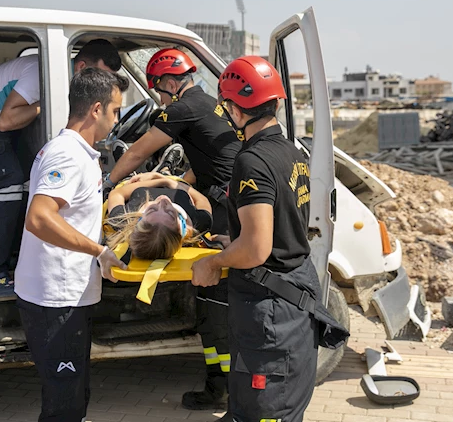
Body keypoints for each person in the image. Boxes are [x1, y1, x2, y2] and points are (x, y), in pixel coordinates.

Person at [191, 56, 341, 422]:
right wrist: (233, 241)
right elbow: (282, 226)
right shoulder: (292, 152)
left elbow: (257, 248)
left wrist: (214, 261)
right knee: (268, 405)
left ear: (232, 108)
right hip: (292, 293)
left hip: (271, 307)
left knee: (266, 409)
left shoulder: (252, 160)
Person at [104, 48, 241, 410]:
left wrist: (108, 183)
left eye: (158, 90)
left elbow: (135, 153)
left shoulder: (181, 108)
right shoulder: (207, 104)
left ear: (168, 82)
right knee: (214, 303)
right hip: (223, 200)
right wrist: (175, 183)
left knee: (216, 306)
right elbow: (208, 162)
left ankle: (222, 389)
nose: (159, 97)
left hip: (226, 208)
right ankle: (222, 383)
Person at [0, 39, 122, 296]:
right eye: (101, 76)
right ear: (81, 67)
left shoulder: (71, 82)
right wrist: (46, 104)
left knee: (32, 180)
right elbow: (6, 122)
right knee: (8, 181)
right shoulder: (43, 76)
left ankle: (19, 258)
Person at [13, 67, 129, 422]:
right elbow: (40, 218)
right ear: (96, 109)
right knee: (64, 403)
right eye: (115, 111)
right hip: (56, 299)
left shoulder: (77, 151)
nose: (116, 120)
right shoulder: (67, 154)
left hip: (68, 296)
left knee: (74, 394)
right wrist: (99, 251)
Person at [105, 171, 213, 260]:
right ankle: (166, 169)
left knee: (128, 176)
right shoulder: (199, 223)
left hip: (135, 182)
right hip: (175, 182)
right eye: (170, 213)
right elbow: (202, 200)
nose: (162, 202)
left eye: (152, 209)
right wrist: (166, 180)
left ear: (139, 220)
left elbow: (116, 194)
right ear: (183, 227)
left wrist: (154, 179)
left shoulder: (122, 220)